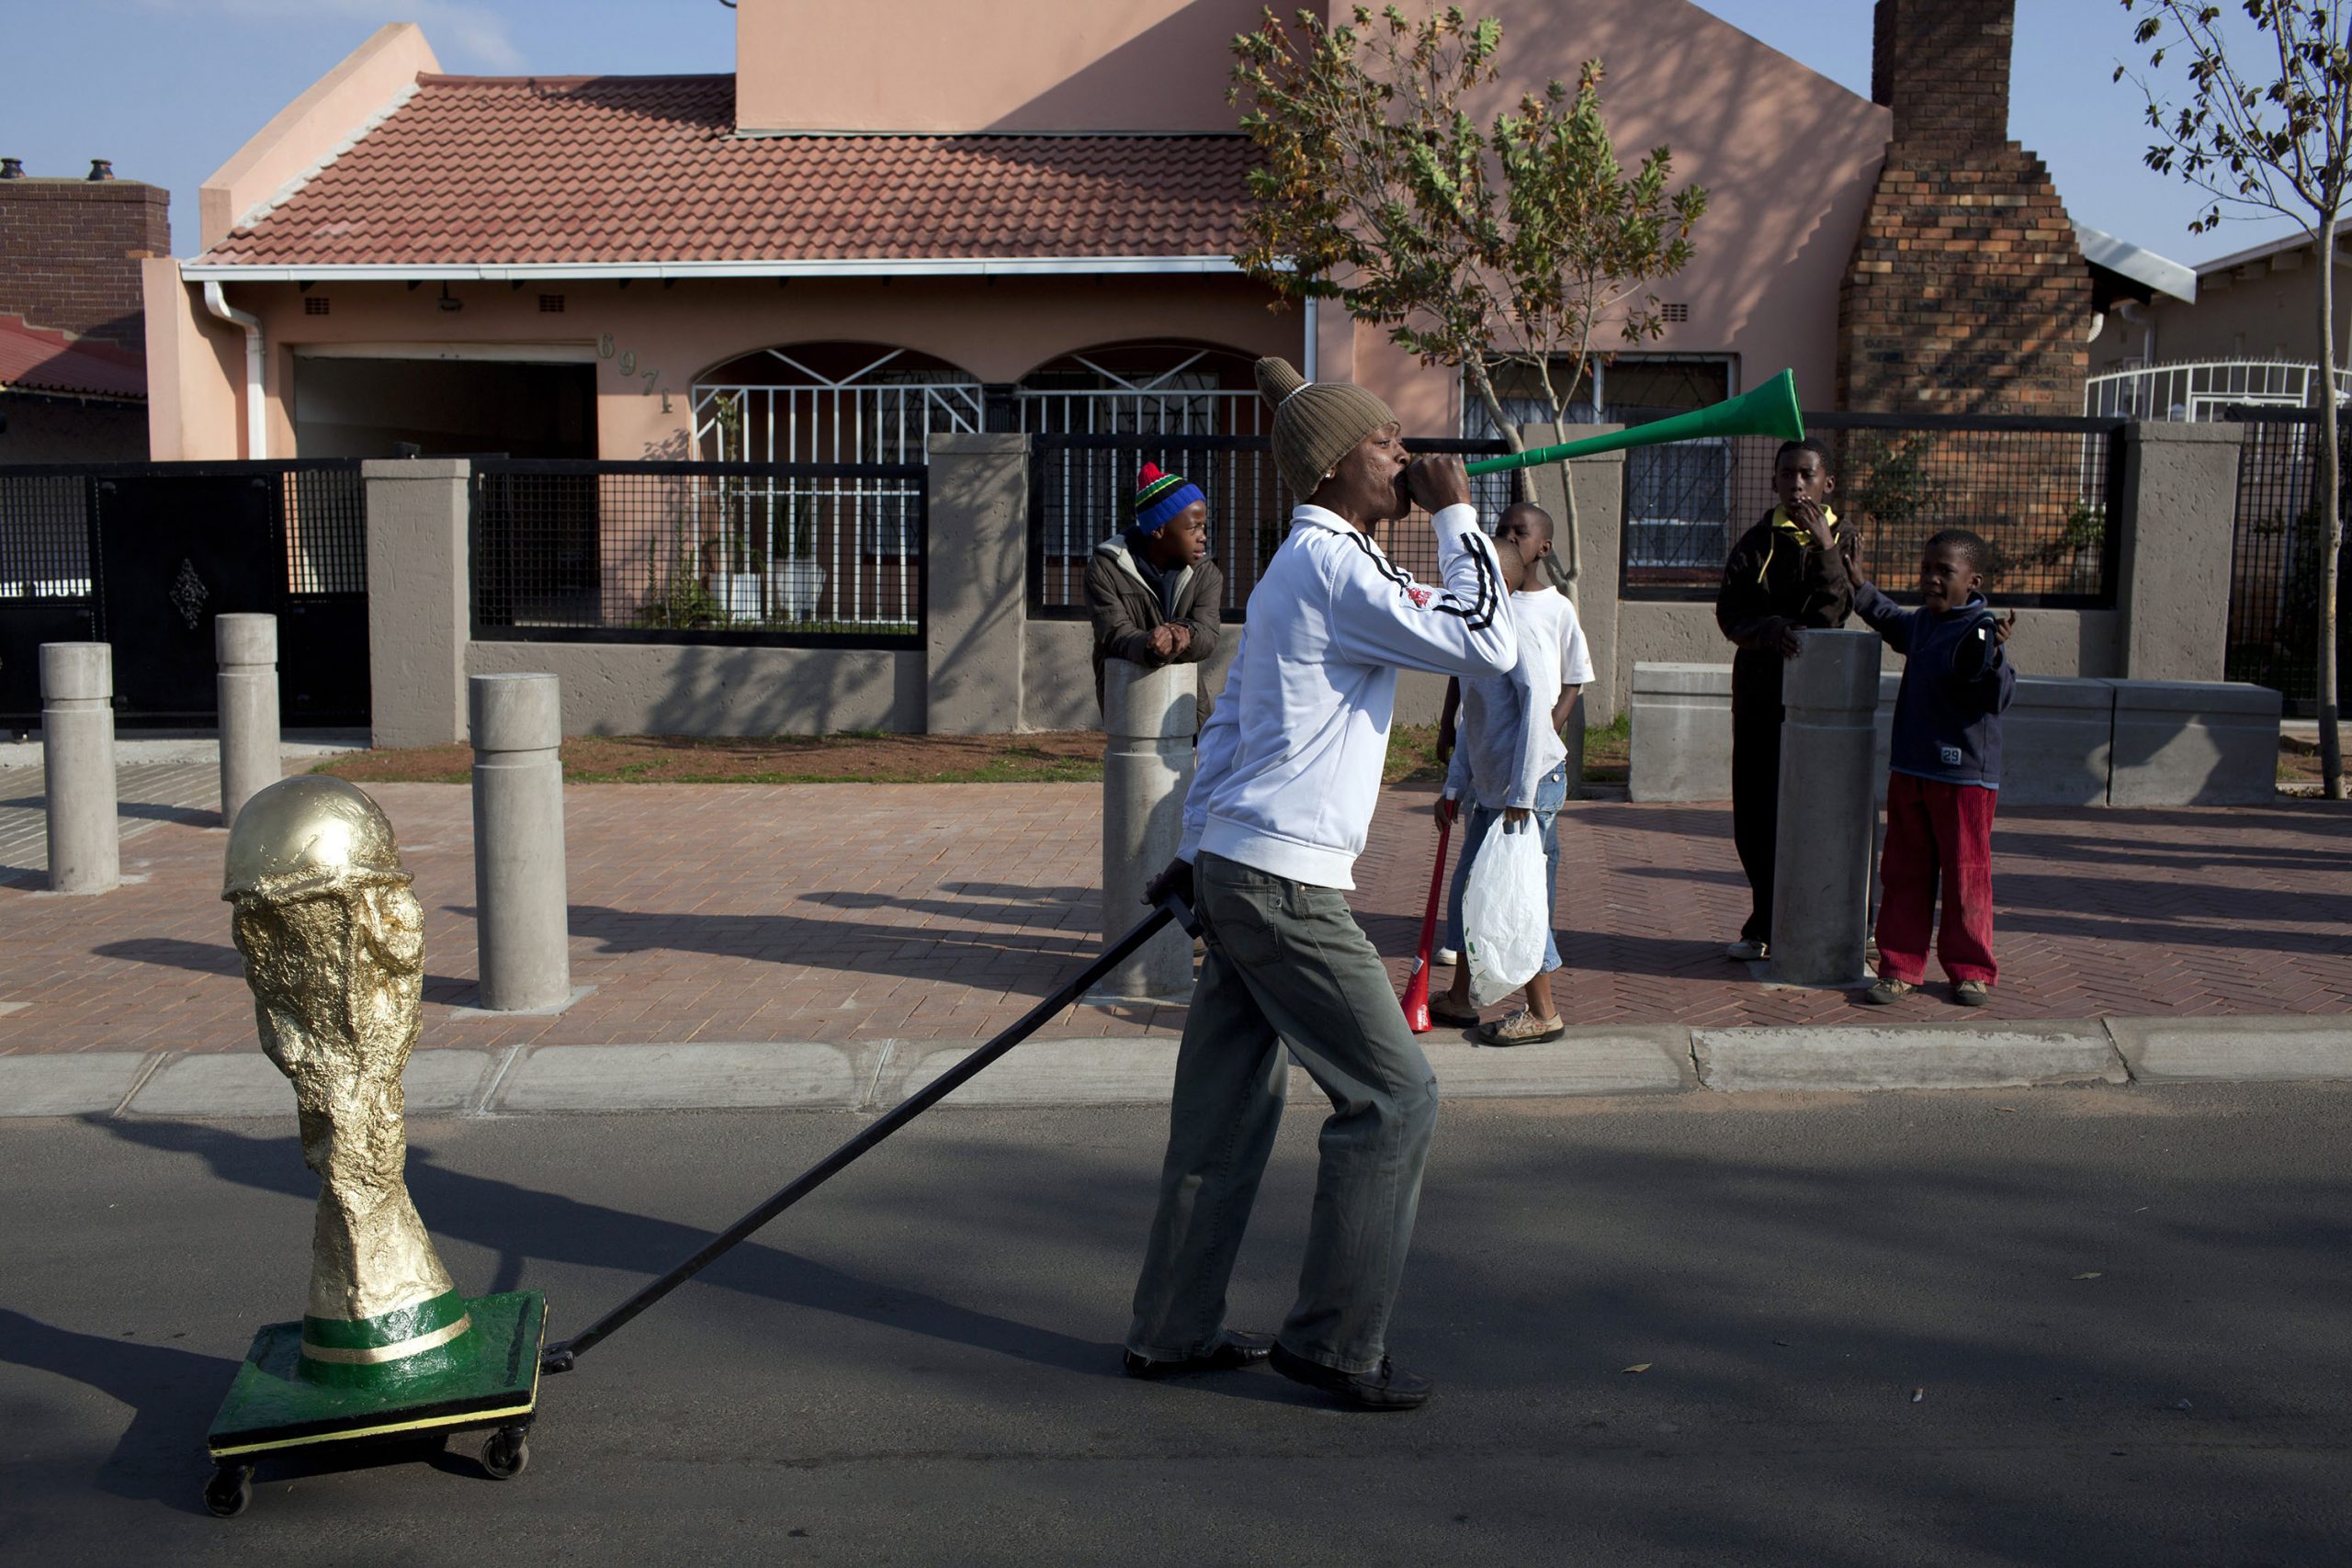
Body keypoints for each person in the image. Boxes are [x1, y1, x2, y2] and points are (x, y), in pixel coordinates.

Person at [1123, 355, 1518, 1412]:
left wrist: (1196, 859)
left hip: (1246, 870)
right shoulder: (1337, 570)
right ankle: (1335, 1343)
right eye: (1387, 442)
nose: (1405, 457)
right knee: (1396, 1097)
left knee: (1223, 1115)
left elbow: (1233, 733)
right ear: (1341, 464)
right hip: (1289, 885)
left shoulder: (1300, 572)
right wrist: (1461, 516)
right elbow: (1487, 643)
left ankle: (1170, 1331)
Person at [1429, 503, 1594, 1046]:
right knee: (1478, 887)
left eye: (1488, 581)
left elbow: (1534, 723)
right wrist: (1455, 786)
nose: (1481, 591)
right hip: (1495, 787)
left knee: (1515, 894)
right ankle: (1459, 998)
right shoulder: (1484, 637)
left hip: (1528, 788)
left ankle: (1543, 1011)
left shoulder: (1520, 637)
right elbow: (1470, 724)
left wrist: (1522, 797)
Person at [1850, 528, 2018, 1007]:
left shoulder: (1981, 630)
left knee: (1966, 875)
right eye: (1926, 569)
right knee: (1903, 871)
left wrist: (1997, 656)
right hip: (1910, 771)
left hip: (1964, 779)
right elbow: (1887, 618)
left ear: (1973, 580)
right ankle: (1900, 968)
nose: (1931, 579)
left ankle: (1971, 971)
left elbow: (1999, 694)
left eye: (1944, 571)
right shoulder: (1923, 624)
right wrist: (1860, 584)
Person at [1713, 436, 1858, 961]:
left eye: (1806, 475)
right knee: (1756, 814)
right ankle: (1765, 923)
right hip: (1759, 696)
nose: (1796, 485)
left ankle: (1848, 923)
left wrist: (1823, 549)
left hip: (1823, 703)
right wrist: (1769, 630)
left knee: (1821, 814)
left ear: (1826, 483)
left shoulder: (1843, 540)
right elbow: (1730, 614)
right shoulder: (1756, 541)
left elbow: (1833, 615)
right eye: (1786, 476)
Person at [1085, 462, 1224, 729]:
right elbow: (1114, 633)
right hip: (1128, 701)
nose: (1203, 537)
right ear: (1158, 530)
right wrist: (1151, 644)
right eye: (1193, 528)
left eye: (1204, 527)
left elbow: (1208, 634)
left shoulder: (1206, 573)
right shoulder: (1107, 566)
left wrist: (1182, 635)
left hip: (1186, 707)